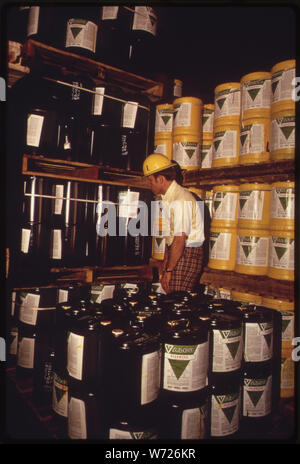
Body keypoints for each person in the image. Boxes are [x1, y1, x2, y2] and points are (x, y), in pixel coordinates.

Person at [143, 153, 205, 294]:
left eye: (150, 180)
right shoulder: (168, 199)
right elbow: (170, 235)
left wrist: (170, 270)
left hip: (186, 253)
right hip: (177, 252)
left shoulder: (181, 200)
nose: (149, 184)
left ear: (161, 179)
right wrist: (166, 260)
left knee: (177, 298)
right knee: (171, 295)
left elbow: (180, 238)